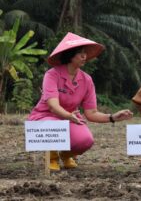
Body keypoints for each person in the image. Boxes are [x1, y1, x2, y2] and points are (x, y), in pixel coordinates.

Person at [28, 32, 133, 171]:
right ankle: (51, 157)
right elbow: (52, 106)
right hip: (45, 116)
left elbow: (91, 113)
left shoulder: (87, 79)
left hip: (70, 118)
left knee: (85, 140)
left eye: (85, 53)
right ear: (70, 55)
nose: (84, 56)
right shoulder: (52, 74)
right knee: (54, 125)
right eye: (80, 53)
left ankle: (66, 155)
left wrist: (112, 117)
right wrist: (68, 116)